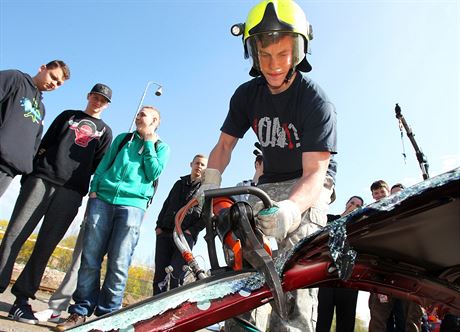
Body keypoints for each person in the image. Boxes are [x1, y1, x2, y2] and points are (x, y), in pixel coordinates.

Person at [198, 1, 337, 330]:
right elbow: (224, 146)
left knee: (295, 265)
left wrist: (290, 210)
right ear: (253, 53)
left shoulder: (317, 102)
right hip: (268, 183)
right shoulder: (247, 96)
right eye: (265, 55)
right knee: (242, 258)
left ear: (299, 52)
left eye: (283, 53)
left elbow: (315, 174)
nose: (273, 65)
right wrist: (210, 183)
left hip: (310, 185)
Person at [0, 83, 113, 324]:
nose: (98, 101)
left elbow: (98, 165)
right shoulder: (67, 116)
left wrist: (79, 181)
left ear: (107, 105)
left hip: (71, 192)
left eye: (103, 100)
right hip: (42, 179)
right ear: (88, 96)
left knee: (45, 246)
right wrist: (32, 173)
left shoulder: (105, 131)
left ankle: (21, 300)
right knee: (15, 235)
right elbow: (45, 142)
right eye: (95, 96)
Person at [56, 105, 170, 331]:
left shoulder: (161, 147)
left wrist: (148, 142)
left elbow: (153, 173)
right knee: (90, 258)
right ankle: (80, 311)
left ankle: (108, 318)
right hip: (103, 200)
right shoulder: (121, 139)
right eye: (138, 113)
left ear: (155, 121)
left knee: (119, 262)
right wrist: (95, 190)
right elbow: (103, 166)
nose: (138, 116)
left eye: (143, 115)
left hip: (132, 206)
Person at [0, 60, 70, 197]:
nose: (54, 84)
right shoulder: (16, 78)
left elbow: (35, 140)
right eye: (53, 77)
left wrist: (27, 160)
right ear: (42, 68)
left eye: (58, 84)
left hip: (10, 170)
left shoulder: (41, 108)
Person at [153, 153, 208, 295]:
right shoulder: (178, 184)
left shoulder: (206, 190)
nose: (199, 166)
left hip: (185, 237)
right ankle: (156, 311)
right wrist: (158, 227)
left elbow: (206, 216)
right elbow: (166, 204)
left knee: (177, 274)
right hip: (165, 233)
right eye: (197, 163)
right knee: (160, 275)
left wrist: (192, 231)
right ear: (191, 164)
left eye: (202, 164)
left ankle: (174, 311)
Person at [316, 195, 364, 332]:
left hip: (349, 279)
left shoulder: (359, 227)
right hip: (327, 276)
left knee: (346, 320)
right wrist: (342, 216)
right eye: (352, 203)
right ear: (346, 203)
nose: (354, 206)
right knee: (323, 318)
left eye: (358, 206)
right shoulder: (330, 219)